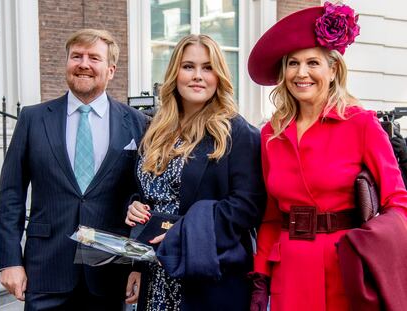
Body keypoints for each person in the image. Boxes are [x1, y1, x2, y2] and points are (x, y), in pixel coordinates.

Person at [247, 2, 407, 311]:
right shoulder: (271, 134)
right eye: (292, 63)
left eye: (313, 63)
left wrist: (367, 245)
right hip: (288, 277)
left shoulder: (361, 124)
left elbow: (397, 202)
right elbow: (270, 216)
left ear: (333, 70)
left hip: (346, 272)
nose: (301, 73)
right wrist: (260, 278)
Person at [0, 29, 148, 310]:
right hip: (45, 270)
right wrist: (10, 261)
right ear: (66, 63)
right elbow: (10, 196)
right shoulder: (33, 118)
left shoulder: (138, 123)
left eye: (94, 57)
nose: (83, 64)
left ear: (111, 70)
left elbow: (144, 198)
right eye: (76, 56)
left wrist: (139, 265)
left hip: (111, 272)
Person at [124, 34, 266, 310]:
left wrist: (187, 232)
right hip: (156, 272)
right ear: (175, 73)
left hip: (208, 275)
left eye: (207, 67)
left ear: (219, 76)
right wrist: (134, 207)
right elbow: (148, 193)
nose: (198, 76)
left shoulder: (237, 133)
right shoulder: (155, 131)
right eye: (188, 66)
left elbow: (247, 206)